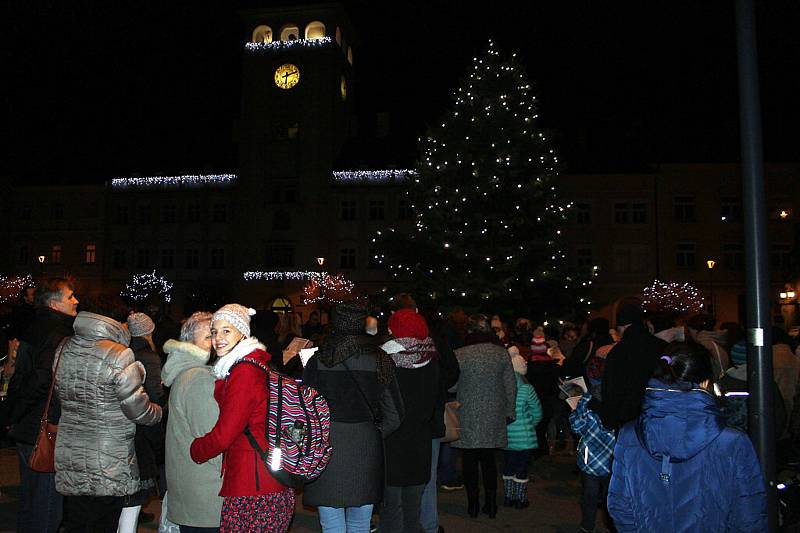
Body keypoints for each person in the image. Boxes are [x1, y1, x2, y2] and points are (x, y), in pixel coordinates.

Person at [608, 342, 768, 531]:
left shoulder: (629, 435)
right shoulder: (733, 442)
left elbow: (620, 506)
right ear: (705, 383)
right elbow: (749, 515)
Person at [54, 295, 163, 533]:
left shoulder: (64, 347)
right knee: (103, 522)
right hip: (108, 456)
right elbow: (138, 409)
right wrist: (159, 412)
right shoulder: (119, 354)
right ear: (114, 322)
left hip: (70, 450)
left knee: (75, 520)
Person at [190, 304, 295, 532]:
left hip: (253, 486)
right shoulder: (249, 365)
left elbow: (224, 434)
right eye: (214, 331)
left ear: (242, 333)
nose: (218, 338)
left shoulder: (244, 372)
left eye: (227, 331)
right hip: (262, 480)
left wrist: (195, 449)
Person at [302, 301, 404, 533]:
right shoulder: (380, 359)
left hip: (327, 444)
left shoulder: (319, 359)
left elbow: (305, 408)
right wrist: (375, 432)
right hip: (365, 445)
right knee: (360, 523)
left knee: (331, 524)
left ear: (336, 323)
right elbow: (395, 413)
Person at [7, 277, 77, 533]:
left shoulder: (35, 325)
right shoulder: (58, 332)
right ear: (55, 303)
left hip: (27, 425)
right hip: (45, 427)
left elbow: (20, 375)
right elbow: (41, 378)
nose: (76, 301)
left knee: (30, 499)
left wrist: (13, 414)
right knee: (47, 506)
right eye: (70, 297)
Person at [162, 311, 224, 532]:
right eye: (209, 336)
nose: (217, 341)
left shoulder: (187, 373)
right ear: (190, 341)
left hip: (193, 493)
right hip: (206, 496)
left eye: (217, 334)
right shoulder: (199, 379)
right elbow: (213, 442)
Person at [379, 308, 439, 533]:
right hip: (420, 438)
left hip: (392, 440)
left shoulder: (385, 360)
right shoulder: (432, 359)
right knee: (413, 505)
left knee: (391, 505)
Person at [452, 314, 516, 519]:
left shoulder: (460, 354)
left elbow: (452, 384)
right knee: (489, 460)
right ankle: (491, 504)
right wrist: (510, 411)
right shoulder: (500, 353)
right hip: (493, 412)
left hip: (468, 411)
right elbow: (510, 385)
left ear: (469, 330)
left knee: (469, 459)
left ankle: (472, 504)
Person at [118, 312, 165, 532]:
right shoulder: (149, 356)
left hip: (122, 424)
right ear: (149, 332)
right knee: (137, 485)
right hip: (143, 423)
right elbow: (154, 393)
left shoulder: (122, 352)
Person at [589, 303, 666, 430]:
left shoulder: (618, 351)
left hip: (627, 416)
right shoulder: (661, 346)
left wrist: (609, 418)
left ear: (622, 327)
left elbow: (611, 386)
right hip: (657, 410)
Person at [417, 308, 460, 533]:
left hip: (416, 419)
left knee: (416, 475)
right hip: (431, 415)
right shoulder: (437, 344)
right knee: (429, 475)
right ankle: (429, 524)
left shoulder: (405, 347)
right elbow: (453, 371)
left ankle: (420, 523)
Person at [502, 350, 542, 509]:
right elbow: (537, 411)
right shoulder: (527, 389)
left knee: (508, 466)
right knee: (522, 468)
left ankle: (507, 497)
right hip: (524, 438)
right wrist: (531, 424)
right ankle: (520, 499)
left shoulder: (502, 388)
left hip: (507, 437)